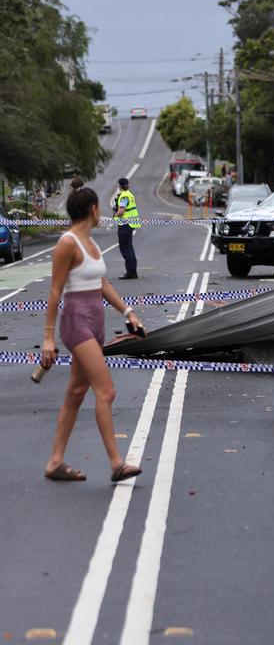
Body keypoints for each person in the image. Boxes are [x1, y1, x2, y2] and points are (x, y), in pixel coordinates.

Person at [41, 177, 145, 483]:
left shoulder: (92, 243)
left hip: (95, 323)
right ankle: (116, 462)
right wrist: (48, 337)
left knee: (75, 393)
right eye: (100, 208)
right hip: (77, 323)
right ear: (93, 209)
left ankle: (55, 461)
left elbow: (102, 284)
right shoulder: (67, 243)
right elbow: (55, 291)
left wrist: (129, 312)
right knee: (106, 390)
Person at [113, 176, 140, 279]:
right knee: (129, 248)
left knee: (125, 248)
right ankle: (133, 271)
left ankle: (130, 272)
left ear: (120, 186)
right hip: (131, 224)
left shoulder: (124, 196)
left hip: (125, 224)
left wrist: (115, 216)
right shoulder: (129, 194)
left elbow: (122, 211)